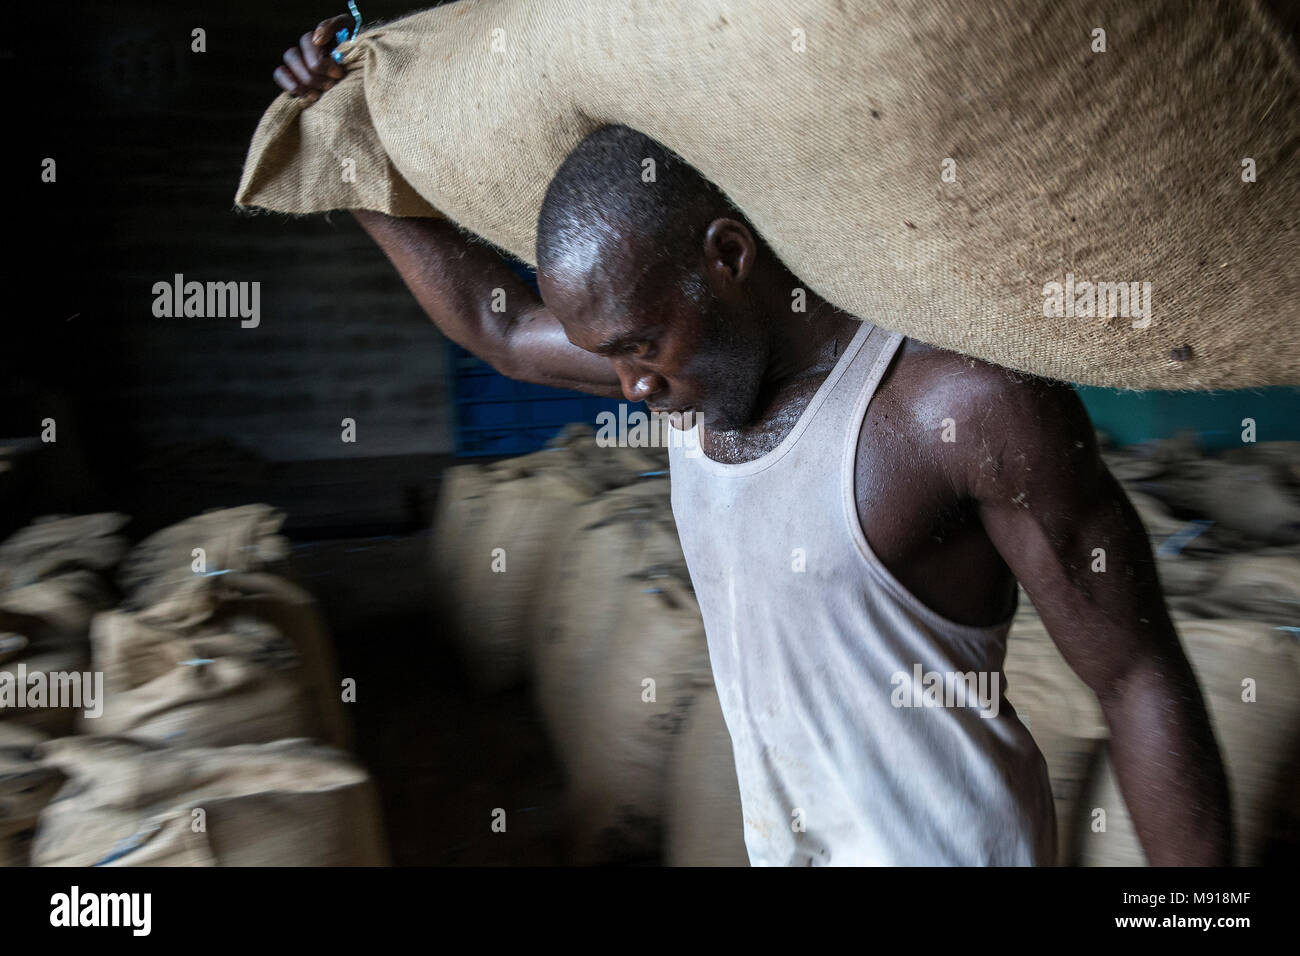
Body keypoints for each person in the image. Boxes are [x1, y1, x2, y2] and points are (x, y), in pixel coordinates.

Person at [270, 15, 1232, 865]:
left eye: (642, 347)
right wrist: (350, 152)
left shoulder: (962, 406)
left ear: (728, 257)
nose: (632, 387)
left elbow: (1136, 674)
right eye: (616, 356)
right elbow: (500, 330)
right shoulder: (688, 372)